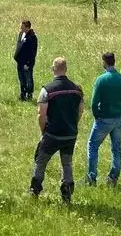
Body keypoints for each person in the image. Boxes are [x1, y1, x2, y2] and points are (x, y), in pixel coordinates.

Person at [30, 57, 83, 203]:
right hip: (70, 134)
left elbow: (41, 114)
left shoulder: (47, 90)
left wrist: (43, 131)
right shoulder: (77, 90)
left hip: (52, 134)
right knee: (67, 163)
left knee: (40, 161)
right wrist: (73, 125)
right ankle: (67, 192)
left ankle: (35, 190)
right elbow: (80, 111)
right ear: (66, 69)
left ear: (53, 69)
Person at [87, 52, 121, 186]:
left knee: (93, 146)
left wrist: (97, 115)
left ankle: (92, 177)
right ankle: (113, 177)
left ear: (104, 62)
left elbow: (94, 103)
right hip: (118, 118)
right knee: (116, 148)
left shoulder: (101, 80)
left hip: (104, 118)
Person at [13, 19, 38, 101]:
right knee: (21, 79)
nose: (21, 28)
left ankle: (29, 95)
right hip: (20, 61)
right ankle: (22, 94)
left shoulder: (32, 37)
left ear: (27, 27)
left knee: (28, 79)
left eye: (22, 27)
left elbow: (33, 52)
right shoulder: (21, 34)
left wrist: (28, 64)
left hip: (26, 63)